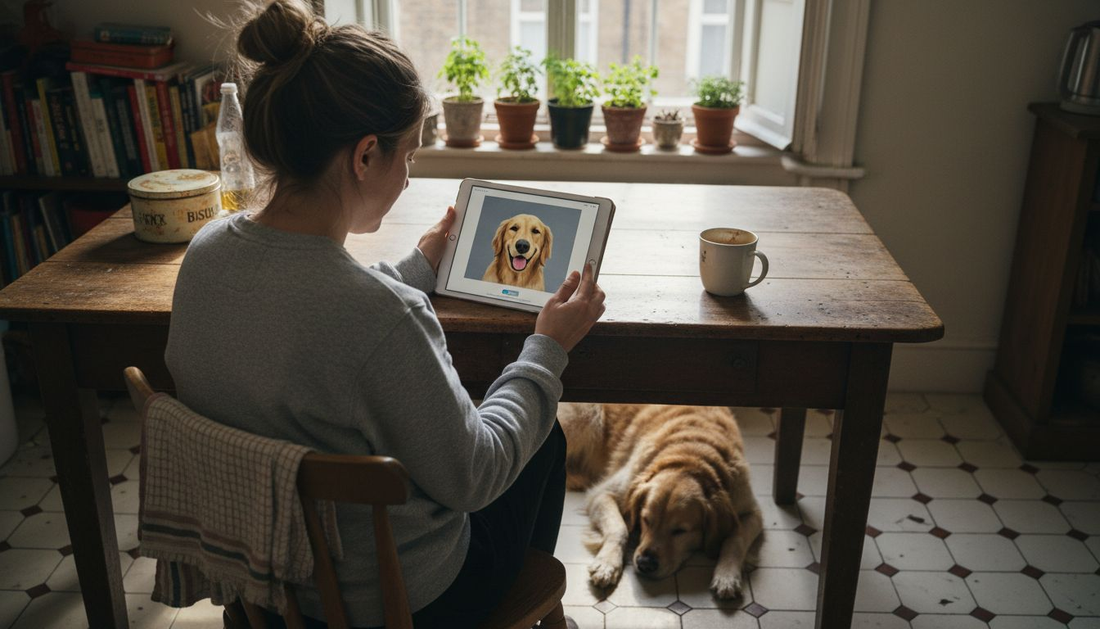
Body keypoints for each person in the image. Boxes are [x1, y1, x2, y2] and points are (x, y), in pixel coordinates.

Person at [164, 1, 605, 627]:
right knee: (543, 438)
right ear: (365, 155)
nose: (406, 178)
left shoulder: (207, 252)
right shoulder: (386, 318)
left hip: (267, 583)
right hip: (402, 602)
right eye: (409, 156)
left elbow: (312, 311)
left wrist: (419, 264)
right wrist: (546, 350)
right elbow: (474, 478)